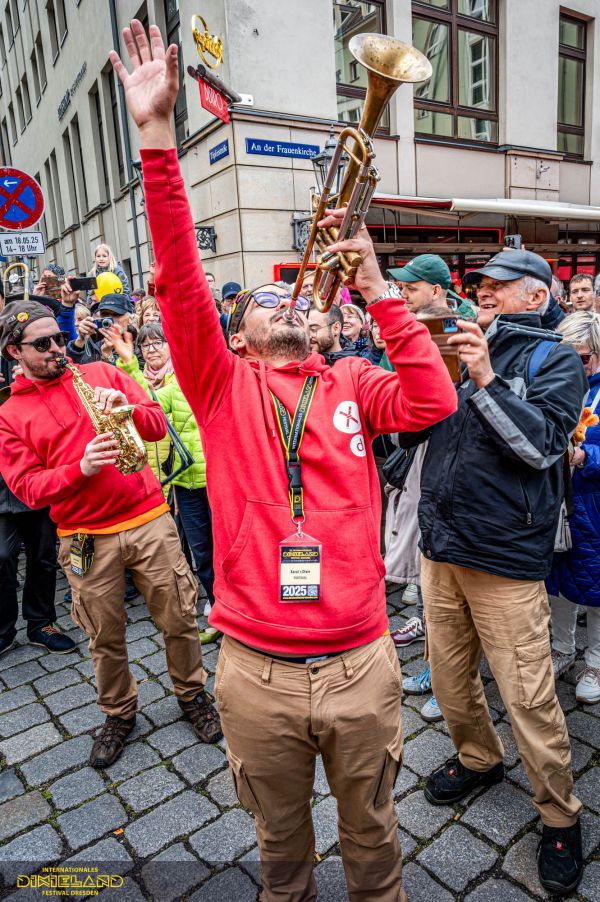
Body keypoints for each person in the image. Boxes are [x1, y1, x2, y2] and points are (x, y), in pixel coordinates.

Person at [111, 21, 457, 901]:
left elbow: (433, 402)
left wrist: (378, 291)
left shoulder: (349, 374)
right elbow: (184, 275)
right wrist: (157, 139)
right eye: (267, 298)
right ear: (240, 333)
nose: (288, 299)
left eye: (298, 294)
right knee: (280, 859)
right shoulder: (222, 384)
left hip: (362, 661)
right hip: (255, 670)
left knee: (375, 848)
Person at [399, 249, 587, 895]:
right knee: (451, 679)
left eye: (498, 288)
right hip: (442, 546)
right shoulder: (456, 351)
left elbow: (540, 448)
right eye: (480, 284)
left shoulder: (552, 359)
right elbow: (413, 440)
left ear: (535, 298)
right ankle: (479, 758)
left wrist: (484, 378)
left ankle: (560, 815)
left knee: (528, 696)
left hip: (506, 559)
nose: (482, 293)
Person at [0, 299, 221, 768]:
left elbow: (159, 427)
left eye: (60, 339)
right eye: (43, 344)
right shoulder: (10, 415)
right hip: (84, 535)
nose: (59, 349)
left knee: (179, 617)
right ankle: (119, 712)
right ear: (14, 351)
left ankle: (192, 694)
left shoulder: (101, 373)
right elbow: (26, 488)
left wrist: (129, 410)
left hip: (149, 519)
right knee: (104, 634)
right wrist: (78, 469)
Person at [113, 322, 218, 644]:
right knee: (200, 551)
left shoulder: (186, 376)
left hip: (213, 479)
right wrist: (130, 366)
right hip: (183, 482)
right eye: (146, 346)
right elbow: (143, 409)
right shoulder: (152, 385)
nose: (153, 349)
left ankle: (235, 607)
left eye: (159, 342)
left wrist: (129, 366)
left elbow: (150, 403)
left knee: (223, 548)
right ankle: (217, 607)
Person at [547, 312, 600, 703]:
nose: (578, 365)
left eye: (584, 357)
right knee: (558, 582)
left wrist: (588, 456)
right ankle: (562, 648)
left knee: (597, 588)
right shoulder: (558, 384)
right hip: (558, 501)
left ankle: (596, 661)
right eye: (571, 356)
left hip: (594, 504)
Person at [0, 468, 76, 656]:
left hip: (37, 489)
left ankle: (41, 625)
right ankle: (3, 630)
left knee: (43, 557)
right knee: (2, 557)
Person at [388, 254, 477, 320]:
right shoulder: (403, 325)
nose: (402, 294)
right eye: (402, 287)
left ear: (435, 291)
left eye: (410, 289)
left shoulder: (467, 331)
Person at [67, 293, 136, 365]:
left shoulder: (140, 341)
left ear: (130, 318)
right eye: (105, 314)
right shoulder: (92, 338)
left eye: (116, 314)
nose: (109, 320)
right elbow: (72, 368)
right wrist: (80, 340)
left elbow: (132, 374)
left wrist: (108, 357)